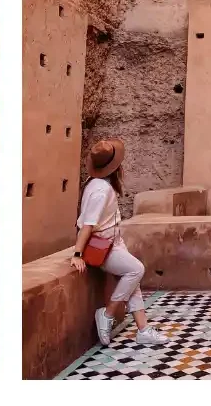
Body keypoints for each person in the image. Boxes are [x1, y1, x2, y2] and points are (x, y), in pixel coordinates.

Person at [70, 137, 168, 347]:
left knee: (133, 282)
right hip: (100, 246)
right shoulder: (100, 190)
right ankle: (107, 313)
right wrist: (77, 253)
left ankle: (143, 330)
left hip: (112, 241)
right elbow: (87, 224)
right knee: (136, 270)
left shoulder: (97, 184)